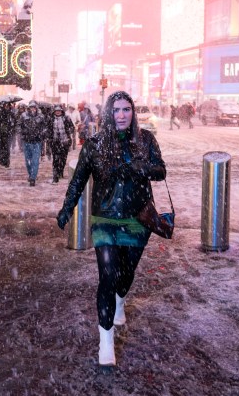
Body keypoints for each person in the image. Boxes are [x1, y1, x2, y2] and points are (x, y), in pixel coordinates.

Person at [56, 91, 166, 367]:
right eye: (115, 110)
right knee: (107, 275)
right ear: (108, 112)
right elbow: (78, 180)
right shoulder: (94, 145)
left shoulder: (146, 140)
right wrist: (67, 208)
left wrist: (140, 168)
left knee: (125, 276)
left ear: (133, 112)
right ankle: (106, 341)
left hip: (138, 218)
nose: (121, 115)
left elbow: (161, 170)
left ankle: (120, 299)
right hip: (105, 218)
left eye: (126, 109)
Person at [19, 100, 47, 186]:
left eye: (34, 107)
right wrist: (22, 133)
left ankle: (33, 178)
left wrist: (42, 133)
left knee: (35, 161)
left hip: (37, 142)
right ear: (28, 108)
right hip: (27, 141)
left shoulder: (41, 117)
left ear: (36, 108)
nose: (32, 109)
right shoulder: (23, 116)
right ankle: (31, 174)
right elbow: (18, 126)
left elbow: (45, 127)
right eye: (31, 107)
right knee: (28, 161)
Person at [48, 104, 74, 184]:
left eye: (59, 110)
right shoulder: (51, 119)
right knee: (55, 159)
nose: (58, 112)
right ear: (54, 111)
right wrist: (49, 137)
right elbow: (48, 129)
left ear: (61, 111)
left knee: (63, 158)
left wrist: (69, 131)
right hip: (55, 142)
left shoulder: (66, 118)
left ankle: (60, 171)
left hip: (64, 142)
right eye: (56, 111)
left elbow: (72, 127)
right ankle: (55, 175)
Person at [0, 101, 16, 168]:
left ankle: (7, 162)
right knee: (1, 148)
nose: (7, 107)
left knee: (7, 148)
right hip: (1, 134)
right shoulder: (0, 114)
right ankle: (2, 160)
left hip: (8, 134)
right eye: (5, 106)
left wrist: (12, 129)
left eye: (8, 106)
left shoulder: (11, 114)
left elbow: (14, 123)